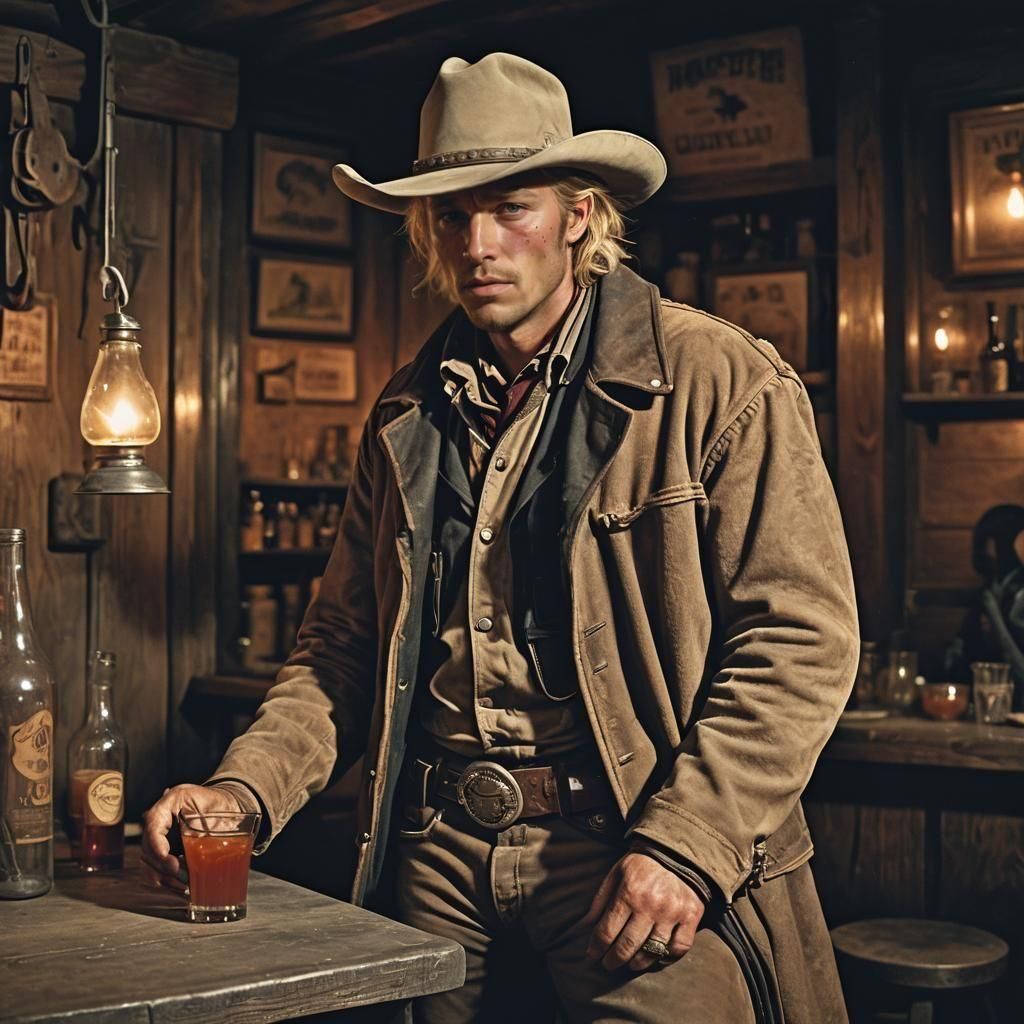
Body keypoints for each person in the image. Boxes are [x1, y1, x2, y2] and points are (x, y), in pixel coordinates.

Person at [143, 53, 859, 1023]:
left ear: (579, 215)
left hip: (626, 839)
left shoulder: (715, 381)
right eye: (451, 214)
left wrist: (688, 841)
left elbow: (800, 642)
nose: (477, 243)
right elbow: (339, 649)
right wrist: (241, 790)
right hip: (435, 842)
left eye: (510, 208)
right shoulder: (405, 410)